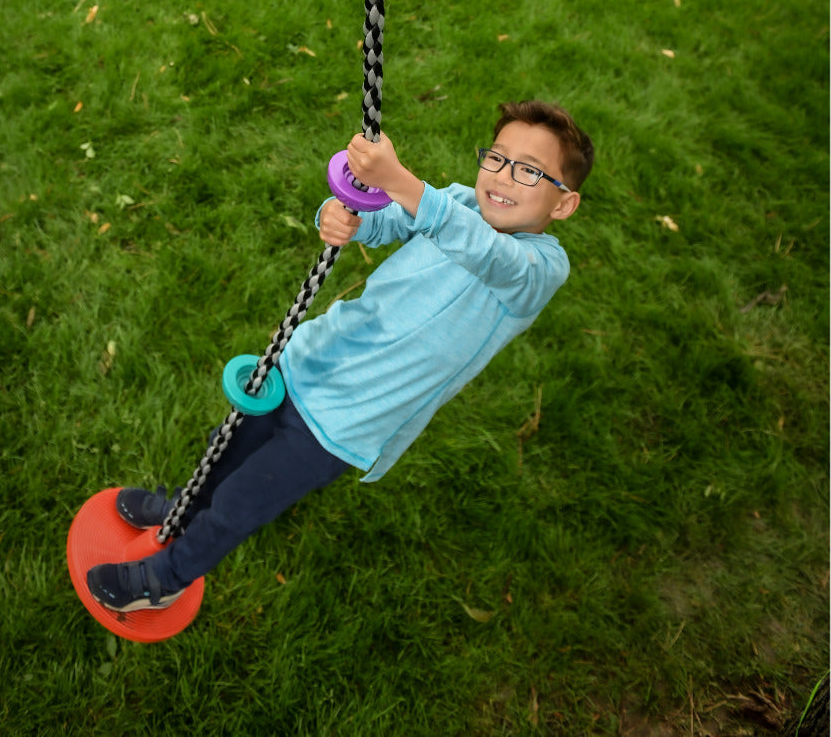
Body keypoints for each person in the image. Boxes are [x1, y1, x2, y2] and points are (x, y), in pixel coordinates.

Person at [87, 98, 594, 612]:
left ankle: (167, 577)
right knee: (227, 447)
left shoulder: (539, 268)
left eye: (530, 171)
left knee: (242, 502)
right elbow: (392, 219)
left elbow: (485, 253)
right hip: (309, 358)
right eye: (497, 158)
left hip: (347, 421)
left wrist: (403, 182)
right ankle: (184, 505)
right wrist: (347, 218)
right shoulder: (460, 202)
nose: (504, 178)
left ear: (563, 204)